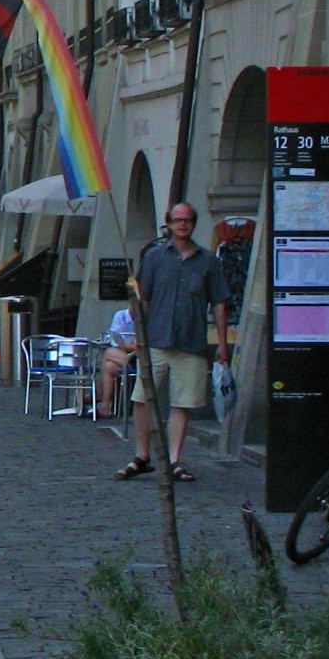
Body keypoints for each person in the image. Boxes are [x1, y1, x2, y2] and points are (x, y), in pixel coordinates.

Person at [118, 202, 232, 484]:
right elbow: (142, 298)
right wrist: (138, 332)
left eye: (187, 220)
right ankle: (142, 455)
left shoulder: (208, 262)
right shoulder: (156, 257)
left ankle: (173, 460)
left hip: (190, 342)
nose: (182, 224)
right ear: (168, 224)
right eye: (177, 220)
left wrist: (221, 342)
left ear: (193, 224)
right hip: (155, 339)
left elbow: (219, 303)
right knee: (142, 399)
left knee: (182, 402)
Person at [93, 302, 139, 420]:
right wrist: (128, 346)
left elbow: (139, 346)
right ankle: (105, 405)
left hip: (139, 358)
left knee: (108, 353)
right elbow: (115, 340)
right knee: (108, 366)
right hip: (123, 356)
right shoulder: (120, 316)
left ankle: (99, 394)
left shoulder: (147, 319)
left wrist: (128, 346)